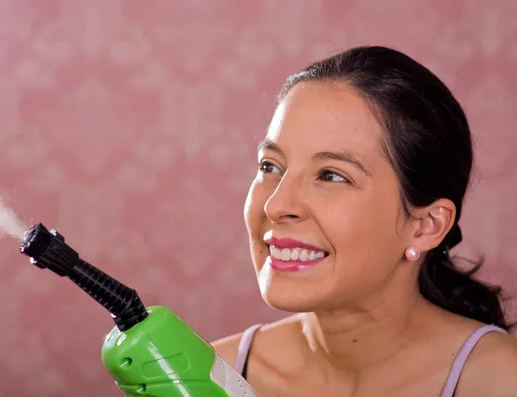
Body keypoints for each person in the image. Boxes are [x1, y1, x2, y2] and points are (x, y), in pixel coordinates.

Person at [212, 46, 517, 396]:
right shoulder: (205, 376)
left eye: (332, 176)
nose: (277, 205)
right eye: (270, 166)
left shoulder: (499, 382)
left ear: (426, 225)